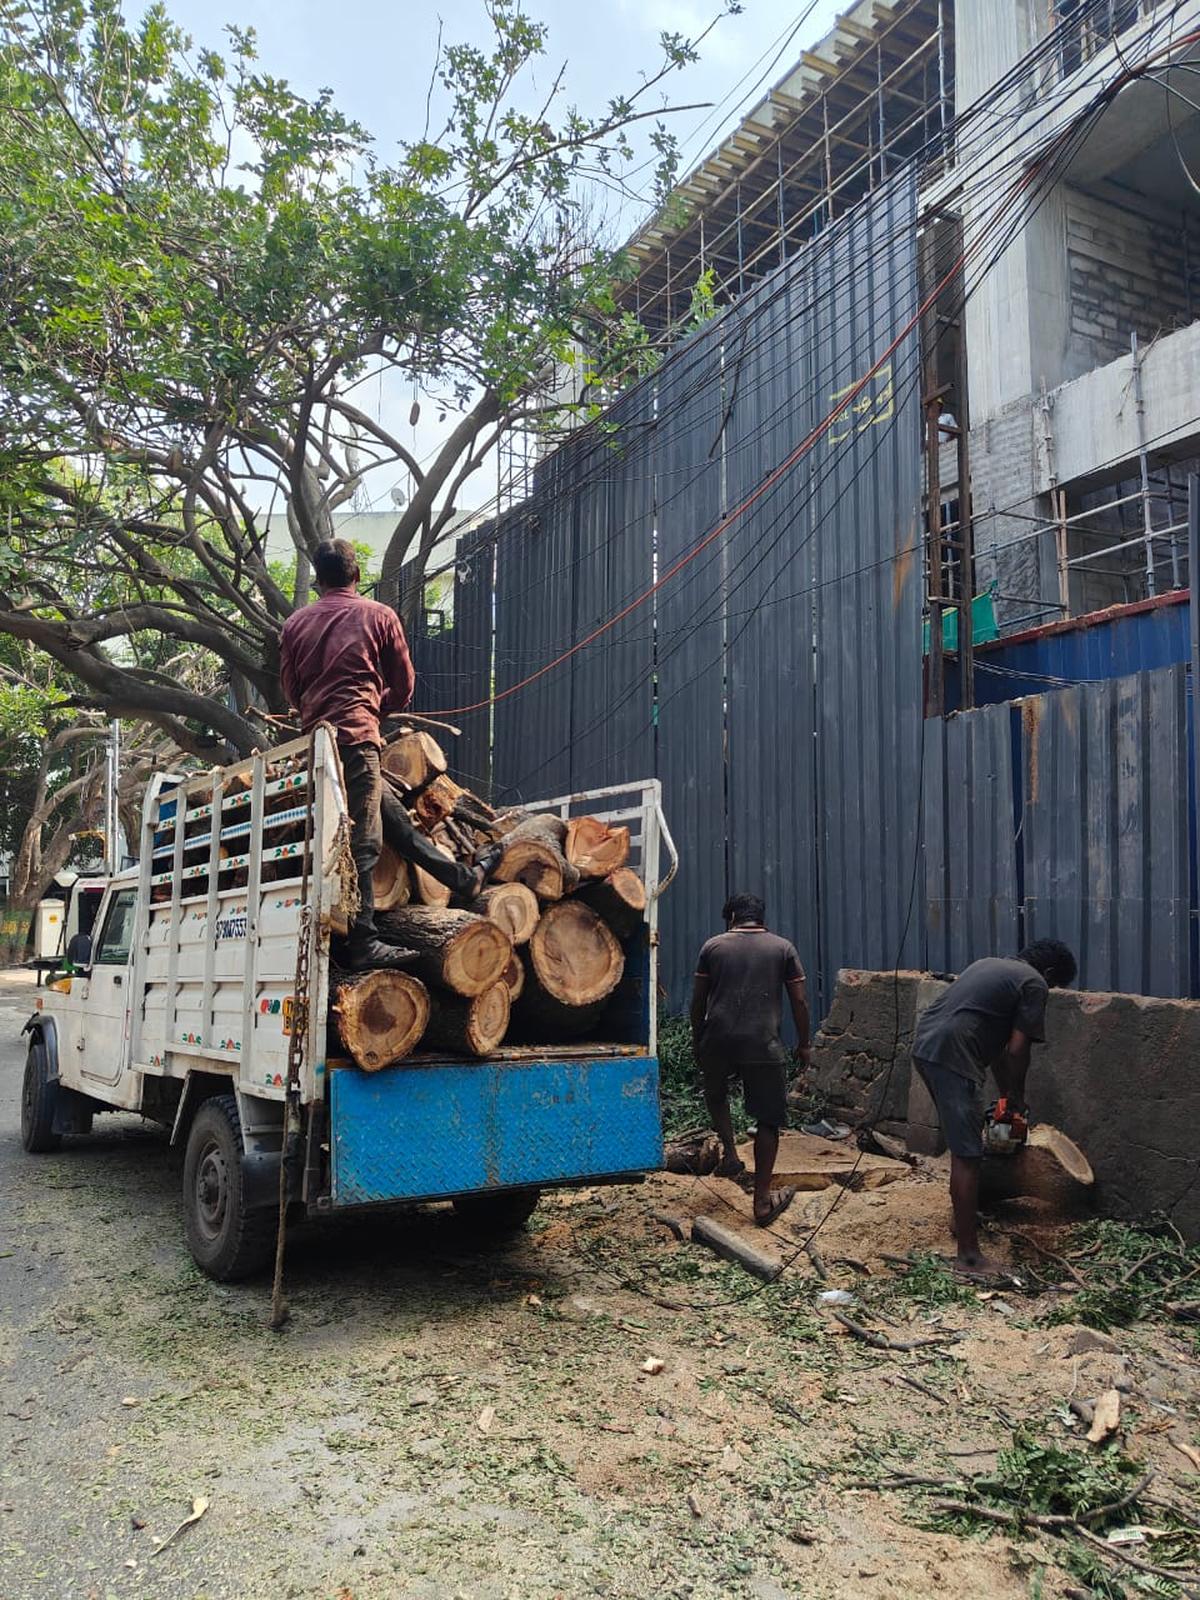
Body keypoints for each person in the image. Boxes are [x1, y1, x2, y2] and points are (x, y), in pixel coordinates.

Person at [280, 538, 497, 970]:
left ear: (319, 580)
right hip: (358, 741)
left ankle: (464, 879)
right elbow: (404, 684)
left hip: (317, 748)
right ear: (356, 575)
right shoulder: (379, 615)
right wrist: (373, 708)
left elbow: (291, 689)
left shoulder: (295, 624)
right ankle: (363, 944)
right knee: (365, 842)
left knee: (394, 822)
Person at [911, 939, 1078, 1277]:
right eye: (1054, 984)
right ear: (1047, 973)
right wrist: (1018, 1093)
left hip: (926, 1045)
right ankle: (969, 1257)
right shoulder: (1033, 983)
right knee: (968, 1156)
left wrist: (1008, 1096)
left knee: (964, 1145)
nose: (1050, 990)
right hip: (953, 1056)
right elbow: (1018, 1051)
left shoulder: (988, 964)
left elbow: (1000, 1052)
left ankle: (963, 1224)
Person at [690, 893, 811, 1227]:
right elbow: (799, 1002)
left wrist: (696, 1039)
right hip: (763, 1045)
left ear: (731, 918)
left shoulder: (713, 947)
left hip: (718, 1040)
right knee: (768, 1120)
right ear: (761, 917)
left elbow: (698, 1001)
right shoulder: (783, 948)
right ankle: (761, 1202)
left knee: (715, 1093)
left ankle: (730, 1153)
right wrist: (804, 1043)